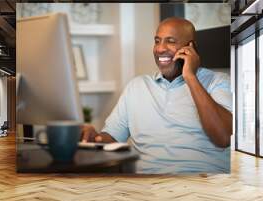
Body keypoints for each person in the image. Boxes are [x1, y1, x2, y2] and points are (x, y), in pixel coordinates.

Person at [81, 17, 232, 173]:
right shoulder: (137, 86)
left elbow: (224, 138)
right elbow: (112, 137)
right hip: (144, 185)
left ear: (190, 47)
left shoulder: (218, 82)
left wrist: (190, 77)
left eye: (170, 41)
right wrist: (93, 139)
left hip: (201, 184)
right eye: (157, 41)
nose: (160, 49)